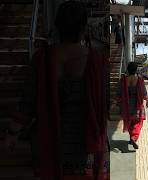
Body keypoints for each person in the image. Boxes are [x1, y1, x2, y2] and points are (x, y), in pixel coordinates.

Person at [4, 1, 109, 180]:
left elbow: (27, 104)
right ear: (84, 27)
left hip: (49, 144)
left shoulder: (41, 59)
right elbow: (104, 104)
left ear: (57, 26)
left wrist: (12, 134)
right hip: (85, 147)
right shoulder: (98, 61)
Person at [115, 62, 148, 149]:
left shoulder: (123, 80)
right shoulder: (140, 79)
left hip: (126, 106)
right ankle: (134, 137)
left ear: (128, 69)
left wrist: (116, 102)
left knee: (129, 122)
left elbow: (118, 93)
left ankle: (131, 138)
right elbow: (143, 92)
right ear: (136, 69)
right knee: (138, 122)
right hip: (137, 105)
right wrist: (147, 101)